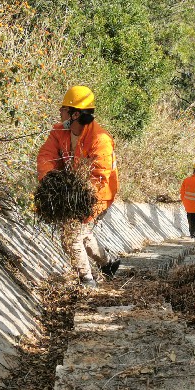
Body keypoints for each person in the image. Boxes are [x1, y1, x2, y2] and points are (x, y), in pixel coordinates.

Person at [36, 85, 120, 288]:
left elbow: (100, 175)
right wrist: (48, 180)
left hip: (98, 196)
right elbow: (46, 156)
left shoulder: (100, 139)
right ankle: (108, 264)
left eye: (63, 109)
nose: (60, 112)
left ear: (74, 114)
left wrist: (82, 201)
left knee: (71, 236)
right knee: (83, 234)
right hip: (72, 192)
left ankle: (87, 281)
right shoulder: (59, 131)